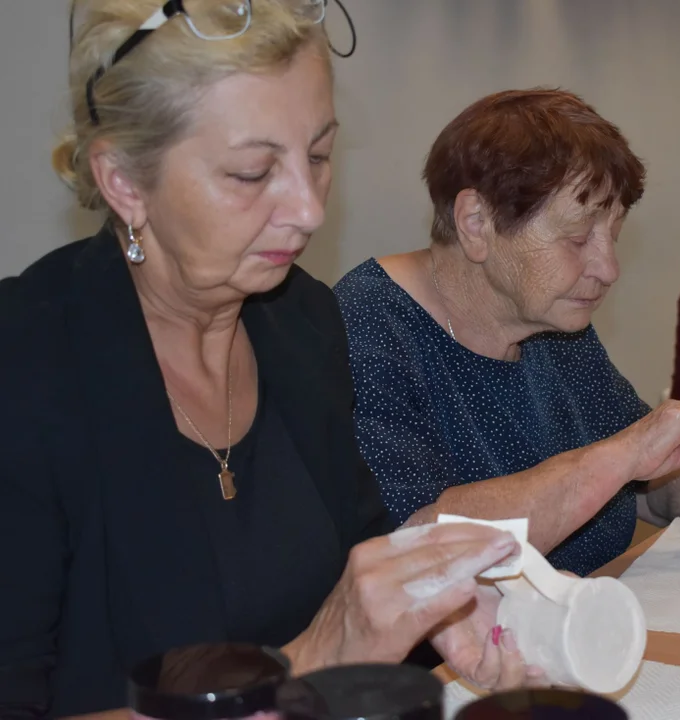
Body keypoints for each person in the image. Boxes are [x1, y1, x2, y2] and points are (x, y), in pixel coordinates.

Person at [0, 2, 557, 716]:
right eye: (251, 172)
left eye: (319, 157)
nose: (308, 209)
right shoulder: (25, 364)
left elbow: (357, 560)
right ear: (124, 183)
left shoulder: (301, 320)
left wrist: (432, 610)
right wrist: (313, 658)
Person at [333, 89, 680, 577]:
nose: (608, 269)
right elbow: (413, 551)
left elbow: (646, 493)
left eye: (615, 237)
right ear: (476, 223)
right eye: (578, 238)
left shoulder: (553, 322)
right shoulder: (367, 325)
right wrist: (624, 453)